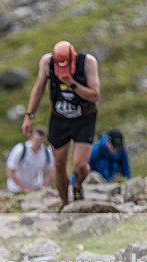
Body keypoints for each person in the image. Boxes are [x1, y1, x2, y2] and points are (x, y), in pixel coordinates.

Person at [22, 40, 100, 206]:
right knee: (59, 163)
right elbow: (38, 89)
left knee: (80, 165)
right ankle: (65, 203)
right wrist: (29, 116)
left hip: (84, 118)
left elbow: (94, 95)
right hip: (60, 118)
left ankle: (78, 185)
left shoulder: (88, 63)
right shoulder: (46, 62)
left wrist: (71, 83)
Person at [6, 125, 54, 193]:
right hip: (16, 187)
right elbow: (10, 171)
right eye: (37, 140)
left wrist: (43, 185)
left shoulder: (47, 152)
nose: (38, 143)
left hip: (35, 186)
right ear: (31, 137)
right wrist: (25, 188)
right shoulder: (20, 149)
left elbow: (49, 171)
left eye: (41, 140)